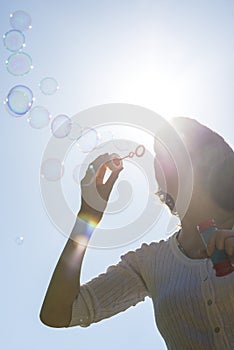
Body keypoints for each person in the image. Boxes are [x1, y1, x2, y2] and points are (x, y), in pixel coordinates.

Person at [40, 117, 234, 349]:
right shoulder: (149, 262)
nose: (166, 159)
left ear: (213, 159)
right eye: (160, 153)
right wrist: (88, 217)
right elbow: (58, 313)